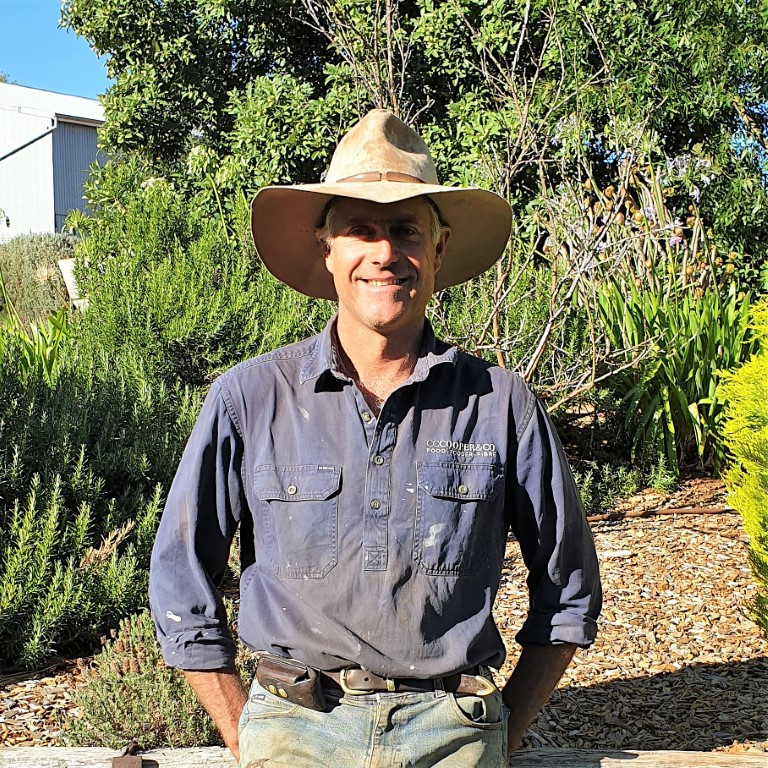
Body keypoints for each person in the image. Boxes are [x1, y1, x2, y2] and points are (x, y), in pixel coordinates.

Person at [149, 109, 601, 768]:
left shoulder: (502, 406)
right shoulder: (249, 400)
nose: (385, 253)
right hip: (295, 728)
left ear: (437, 250)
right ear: (326, 248)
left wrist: (502, 735)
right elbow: (179, 579)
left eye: (405, 230)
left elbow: (567, 591)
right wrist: (244, 733)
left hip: (453, 730)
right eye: (360, 229)